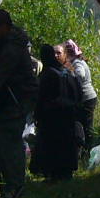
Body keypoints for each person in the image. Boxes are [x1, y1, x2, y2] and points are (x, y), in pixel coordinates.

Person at [0, 8, 38, 198]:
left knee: (8, 141)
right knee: (6, 140)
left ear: (3, 27)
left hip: (17, 100)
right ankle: (11, 184)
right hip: (14, 99)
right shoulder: (8, 44)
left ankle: (14, 186)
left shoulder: (12, 48)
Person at [30, 43, 83, 180]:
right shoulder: (68, 72)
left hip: (51, 117)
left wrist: (37, 114)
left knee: (52, 145)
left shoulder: (48, 74)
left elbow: (41, 97)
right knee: (66, 145)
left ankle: (52, 173)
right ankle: (66, 172)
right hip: (68, 114)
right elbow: (78, 93)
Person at [63, 38, 99, 159]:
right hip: (88, 97)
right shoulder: (79, 61)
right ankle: (85, 152)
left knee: (86, 126)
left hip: (86, 98)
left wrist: (70, 74)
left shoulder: (77, 63)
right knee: (84, 125)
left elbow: (81, 75)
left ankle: (87, 152)